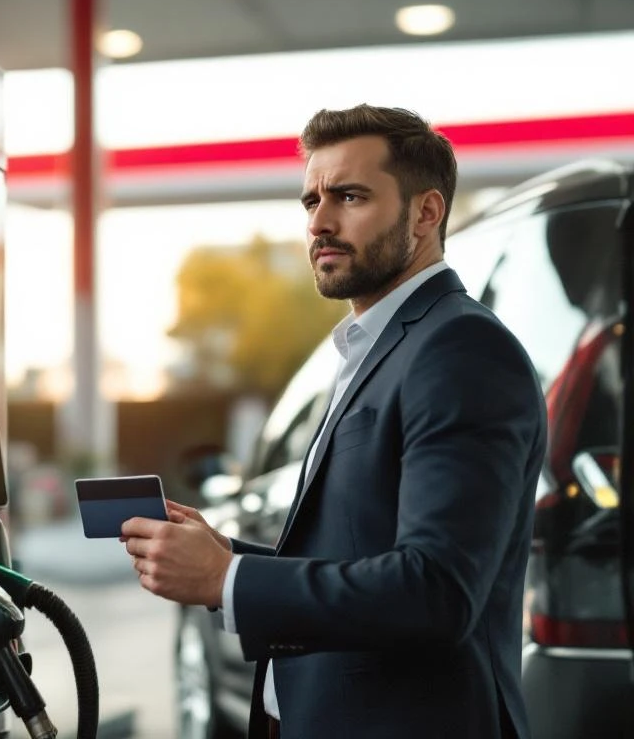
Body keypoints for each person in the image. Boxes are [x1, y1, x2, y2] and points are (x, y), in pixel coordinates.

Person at [121, 104, 547, 739]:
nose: (319, 221)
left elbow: (437, 590)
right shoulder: (375, 346)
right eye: (311, 200)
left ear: (426, 213)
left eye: (349, 196)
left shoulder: (460, 350)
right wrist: (225, 557)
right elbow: (359, 552)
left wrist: (228, 579)